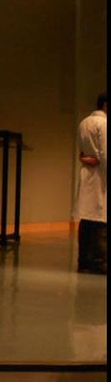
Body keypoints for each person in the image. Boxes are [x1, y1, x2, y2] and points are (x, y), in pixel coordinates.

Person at [74, 92, 107, 274]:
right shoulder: (104, 124)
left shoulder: (84, 122)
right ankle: (100, 262)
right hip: (101, 177)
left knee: (86, 220)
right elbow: (105, 154)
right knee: (101, 221)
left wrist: (84, 158)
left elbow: (83, 152)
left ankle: (84, 261)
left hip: (88, 175)